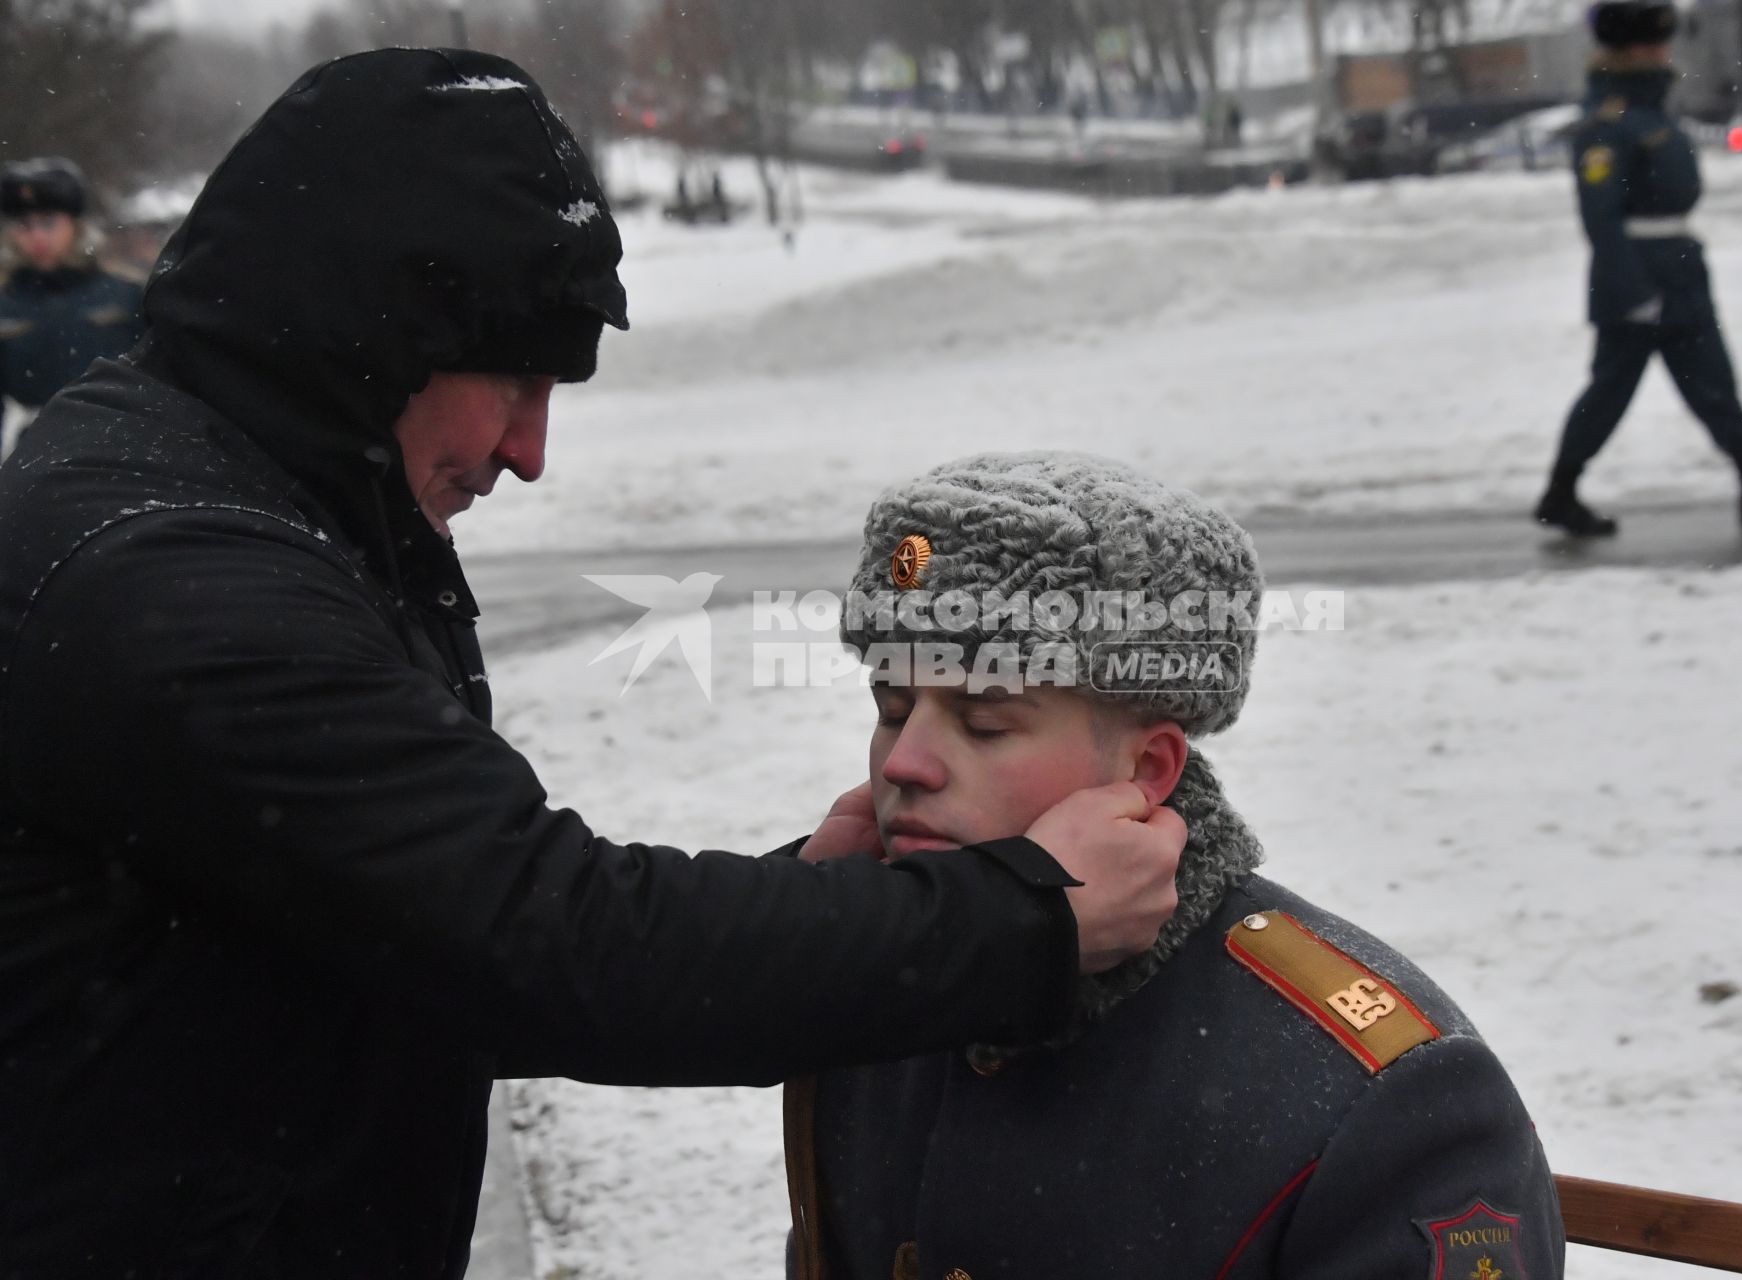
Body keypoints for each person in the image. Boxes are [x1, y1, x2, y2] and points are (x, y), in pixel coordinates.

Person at [0, 50, 1186, 1275]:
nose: (529, 451)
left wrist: (834, 902)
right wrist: (1025, 921)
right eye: (517, 379)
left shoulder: (235, 485)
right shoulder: (171, 583)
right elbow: (539, 943)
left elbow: (418, 930)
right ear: (375, 330)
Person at [785, 452, 1565, 1279]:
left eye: (984, 724)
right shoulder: (877, 987)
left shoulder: (1386, 1093)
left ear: (1149, 769)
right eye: (891, 709)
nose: (905, 762)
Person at [1536, 0, 1742, 537]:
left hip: (1679, 271)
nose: (1661, 53)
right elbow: (1601, 219)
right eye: (1651, 45)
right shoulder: (1608, 125)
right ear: (1625, 52)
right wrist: (1633, 292)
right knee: (1610, 392)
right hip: (1638, 278)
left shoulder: (1651, 114)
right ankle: (1560, 491)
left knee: (1715, 382)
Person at [0, 156, 144, 454]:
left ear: (76, 226)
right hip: (32, 455)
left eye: (49, 222)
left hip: (120, 448)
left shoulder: (127, 296)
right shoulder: (5, 305)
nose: (37, 236)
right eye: (25, 225)